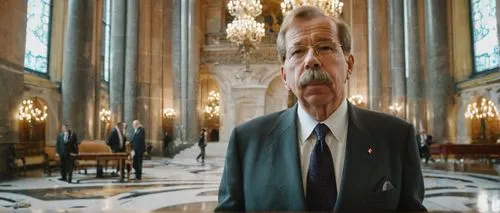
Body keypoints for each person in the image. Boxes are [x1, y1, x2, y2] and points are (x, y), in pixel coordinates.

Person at [215, 6, 426, 212]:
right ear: (284, 76)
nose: (311, 60)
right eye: (297, 51)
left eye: (325, 47)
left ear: (349, 65)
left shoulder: (395, 137)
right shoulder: (247, 142)